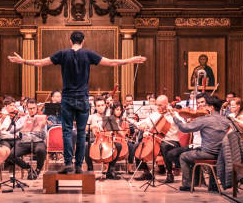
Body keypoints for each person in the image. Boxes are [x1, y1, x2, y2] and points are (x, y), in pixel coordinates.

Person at [8, 29, 145, 174]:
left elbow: (41, 63)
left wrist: (23, 61)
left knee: (66, 131)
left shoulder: (62, 54)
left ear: (70, 41)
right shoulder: (88, 54)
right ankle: (79, 165)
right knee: (81, 133)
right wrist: (130, 60)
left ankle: (68, 164)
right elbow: (111, 62)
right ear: (83, 41)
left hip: (67, 98)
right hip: (82, 98)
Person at [172, 95, 231, 191]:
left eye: (206, 105)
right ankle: (213, 185)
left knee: (183, 156)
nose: (204, 107)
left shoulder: (205, 119)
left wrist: (175, 117)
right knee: (211, 152)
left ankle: (187, 185)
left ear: (211, 107)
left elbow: (184, 128)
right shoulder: (225, 120)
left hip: (208, 153)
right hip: (222, 154)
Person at [130, 94, 180, 183]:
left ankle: (169, 174)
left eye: (160, 105)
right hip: (156, 140)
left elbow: (183, 125)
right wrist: (141, 125)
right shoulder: (155, 114)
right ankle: (146, 172)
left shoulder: (174, 114)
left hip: (172, 141)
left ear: (167, 104)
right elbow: (142, 123)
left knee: (164, 145)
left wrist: (174, 116)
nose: (158, 107)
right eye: (157, 105)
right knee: (137, 146)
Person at [13, 99, 48, 179]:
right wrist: (20, 129)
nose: (32, 110)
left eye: (33, 108)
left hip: (38, 141)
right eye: (30, 108)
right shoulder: (22, 119)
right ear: (26, 108)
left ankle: (38, 170)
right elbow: (13, 130)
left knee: (41, 150)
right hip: (24, 142)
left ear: (37, 108)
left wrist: (42, 127)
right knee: (11, 154)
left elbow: (44, 137)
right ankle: (28, 168)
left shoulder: (41, 119)